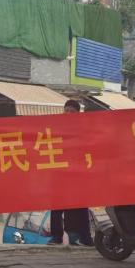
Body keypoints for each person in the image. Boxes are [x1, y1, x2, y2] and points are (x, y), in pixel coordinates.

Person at [47, 99, 93, 246]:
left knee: (81, 205)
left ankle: (86, 238)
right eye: (66, 110)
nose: (68, 113)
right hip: (60, 172)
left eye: (71, 111)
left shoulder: (84, 129)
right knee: (56, 206)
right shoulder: (56, 128)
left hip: (78, 174)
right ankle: (56, 236)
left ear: (78, 113)